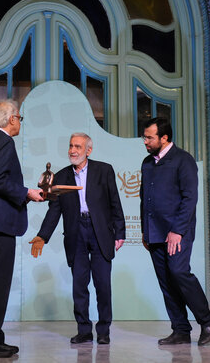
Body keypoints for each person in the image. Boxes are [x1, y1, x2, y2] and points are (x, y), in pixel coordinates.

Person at [29, 133, 125, 345]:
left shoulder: (104, 170)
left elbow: (114, 203)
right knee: (79, 285)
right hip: (76, 233)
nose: (73, 150)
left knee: (102, 284)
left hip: (100, 231)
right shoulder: (61, 176)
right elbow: (54, 210)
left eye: (78, 147)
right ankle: (83, 330)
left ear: (88, 151)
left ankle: (103, 330)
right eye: (71, 146)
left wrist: (120, 233)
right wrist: (42, 236)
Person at [0, 99, 44, 358]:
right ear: (12, 119)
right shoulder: (4, 142)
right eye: (19, 118)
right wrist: (27, 193)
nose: (20, 123)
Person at [140, 117, 210, 346]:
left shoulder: (183, 160)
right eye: (144, 137)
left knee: (178, 272)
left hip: (176, 231)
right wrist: (146, 231)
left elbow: (189, 198)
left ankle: (208, 320)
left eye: (149, 137)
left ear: (164, 138)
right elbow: (144, 198)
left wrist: (177, 231)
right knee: (165, 281)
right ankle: (181, 330)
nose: (145, 141)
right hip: (154, 232)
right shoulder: (147, 163)